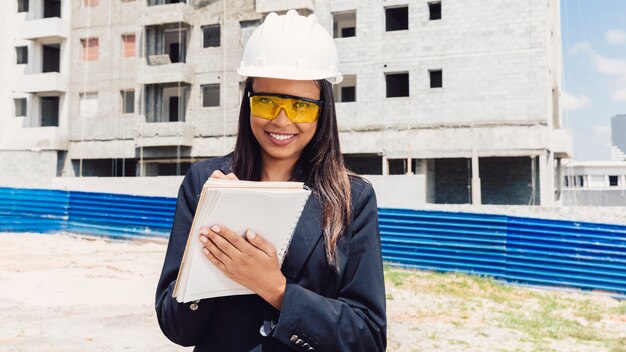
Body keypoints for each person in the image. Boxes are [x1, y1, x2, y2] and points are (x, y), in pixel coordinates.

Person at [155, 10, 387, 352]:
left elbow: (367, 338)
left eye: (301, 107)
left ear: (323, 110)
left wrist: (276, 289)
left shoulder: (352, 198)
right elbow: (176, 326)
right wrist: (208, 257)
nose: (281, 120)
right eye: (267, 101)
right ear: (249, 101)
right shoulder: (205, 183)